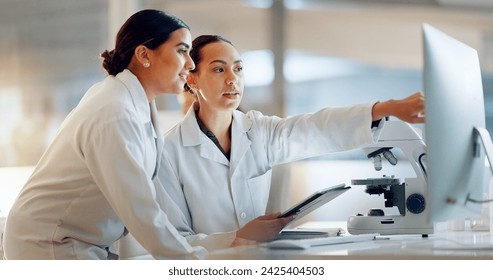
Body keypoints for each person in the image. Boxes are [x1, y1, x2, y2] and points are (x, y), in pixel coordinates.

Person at [156, 35, 425, 251]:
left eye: (238, 68)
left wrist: (384, 108)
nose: (232, 79)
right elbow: (172, 242)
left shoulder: (259, 130)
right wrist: (235, 237)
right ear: (191, 78)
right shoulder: (169, 152)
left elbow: (316, 128)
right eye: (218, 69)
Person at [2, 9, 207, 260]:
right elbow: (138, 207)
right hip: (49, 242)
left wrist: (197, 244)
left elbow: (150, 198)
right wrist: (193, 262)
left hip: (81, 241)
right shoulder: (115, 111)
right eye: (181, 51)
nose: (191, 64)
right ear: (143, 54)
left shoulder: (136, 104)